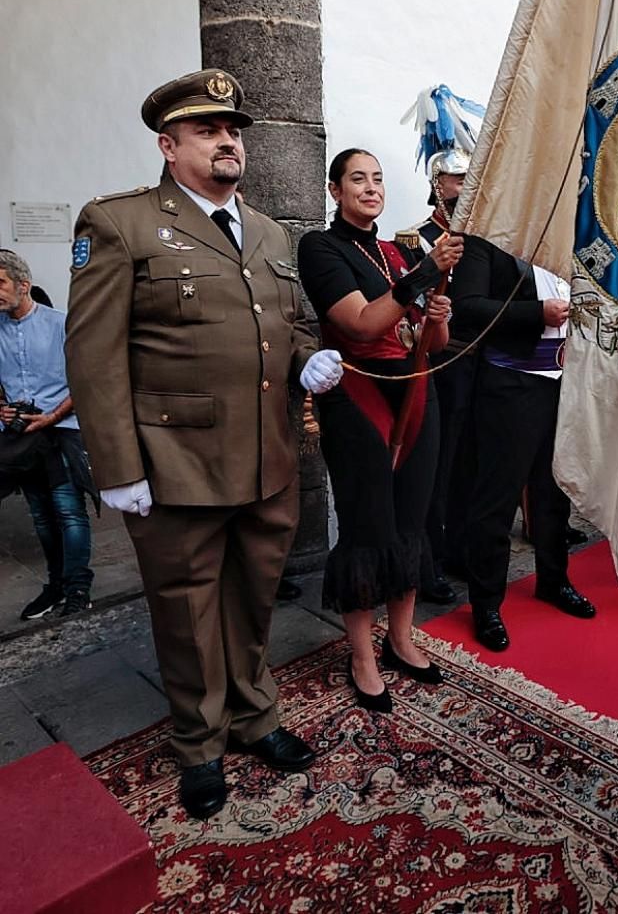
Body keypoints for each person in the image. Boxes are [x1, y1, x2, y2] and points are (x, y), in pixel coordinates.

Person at [64, 69, 344, 820]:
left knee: (252, 600)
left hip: (266, 457)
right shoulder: (120, 223)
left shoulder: (270, 231)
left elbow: (284, 323)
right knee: (187, 613)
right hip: (174, 466)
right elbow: (94, 356)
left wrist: (301, 358)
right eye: (208, 130)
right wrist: (117, 467)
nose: (229, 141)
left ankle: (255, 716)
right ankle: (197, 742)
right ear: (168, 144)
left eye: (235, 131)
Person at [298, 149, 462, 711]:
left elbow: (428, 344)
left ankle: (400, 637)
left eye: (377, 179)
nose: (370, 187)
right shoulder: (322, 248)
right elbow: (360, 323)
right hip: (358, 392)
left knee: (414, 520)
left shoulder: (398, 250)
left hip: (416, 390)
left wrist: (436, 321)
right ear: (335, 190)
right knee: (369, 524)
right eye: (357, 179)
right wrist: (424, 275)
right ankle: (361, 654)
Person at [452, 231, 597, 652]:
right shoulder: (487, 239)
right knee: (497, 498)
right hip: (510, 383)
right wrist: (537, 313)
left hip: (563, 381)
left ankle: (554, 580)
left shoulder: (574, 238)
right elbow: (468, 308)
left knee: (554, 493)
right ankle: (486, 604)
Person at [0, 250, 98, 618]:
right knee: (40, 515)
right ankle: (56, 584)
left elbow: (87, 380)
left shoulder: (62, 324)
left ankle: (77, 588)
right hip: (21, 438)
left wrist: (53, 415)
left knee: (69, 512)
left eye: (1, 283)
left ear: (23, 285)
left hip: (62, 432)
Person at [404, 161, 476, 603]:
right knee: (436, 465)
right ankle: (428, 558)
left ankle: (456, 548)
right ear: (438, 183)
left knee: (468, 461)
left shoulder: (479, 238)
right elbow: (411, 300)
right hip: (440, 362)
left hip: (478, 362)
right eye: (457, 179)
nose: (464, 187)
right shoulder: (417, 239)